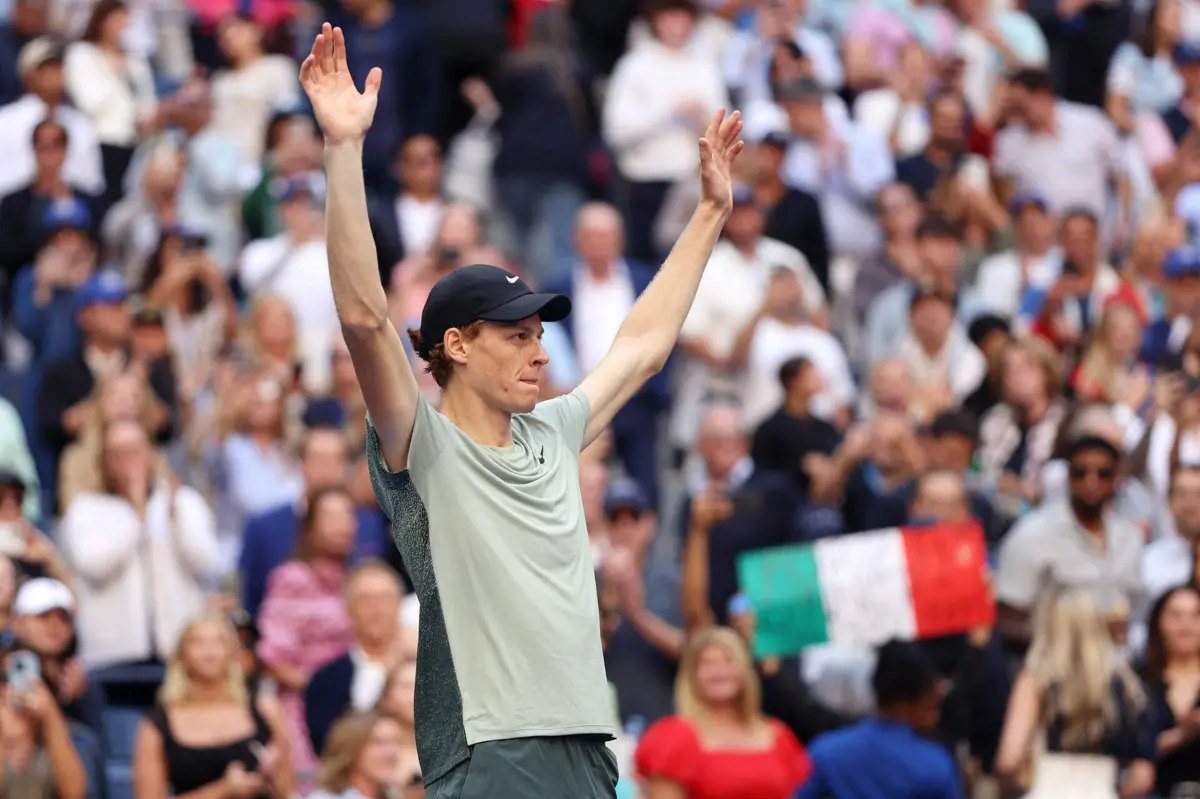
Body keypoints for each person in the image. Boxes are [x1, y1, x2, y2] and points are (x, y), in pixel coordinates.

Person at [299, 21, 743, 799]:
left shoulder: (556, 428)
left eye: (540, 335)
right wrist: (342, 149)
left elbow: (642, 346)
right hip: (490, 751)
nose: (540, 353)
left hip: (588, 746)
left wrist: (709, 213)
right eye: (516, 335)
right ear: (457, 346)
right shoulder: (422, 443)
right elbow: (367, 320)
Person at [995, 587, 1156, 798]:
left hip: (1047, 788)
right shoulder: (1128, 686)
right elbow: (1142, 776)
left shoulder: (1035, 681)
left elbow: (1009, 759)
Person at [634, 627, 812, 799]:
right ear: (692, 675)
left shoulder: (777, 735)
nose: (719, 671)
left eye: (728, 661)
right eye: (707, 663)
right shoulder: (672, 738)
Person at [132, 615, 293, 799]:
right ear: (181, 655)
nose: (209, 650)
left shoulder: (265, 710)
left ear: (233, 653)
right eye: (198, 642)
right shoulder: (156, 724)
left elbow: (286, 791)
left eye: (219, 641)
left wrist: (272, 773)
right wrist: (223, 790)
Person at [796, 640, 962, 799]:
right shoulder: (935, 765)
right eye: (934, 705)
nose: (935, 717)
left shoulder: (825, 752)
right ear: (921, 699)